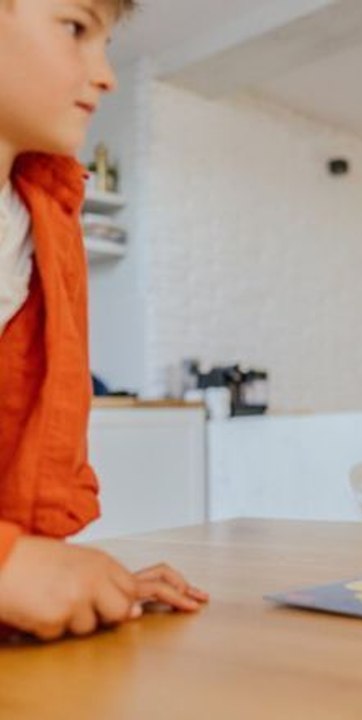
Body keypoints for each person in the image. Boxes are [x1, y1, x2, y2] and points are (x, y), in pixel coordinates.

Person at [0, 0, 208, 640]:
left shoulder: (37, 216)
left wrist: (53, 569)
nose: (106, 73)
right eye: (75, 28)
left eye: (107, 41)